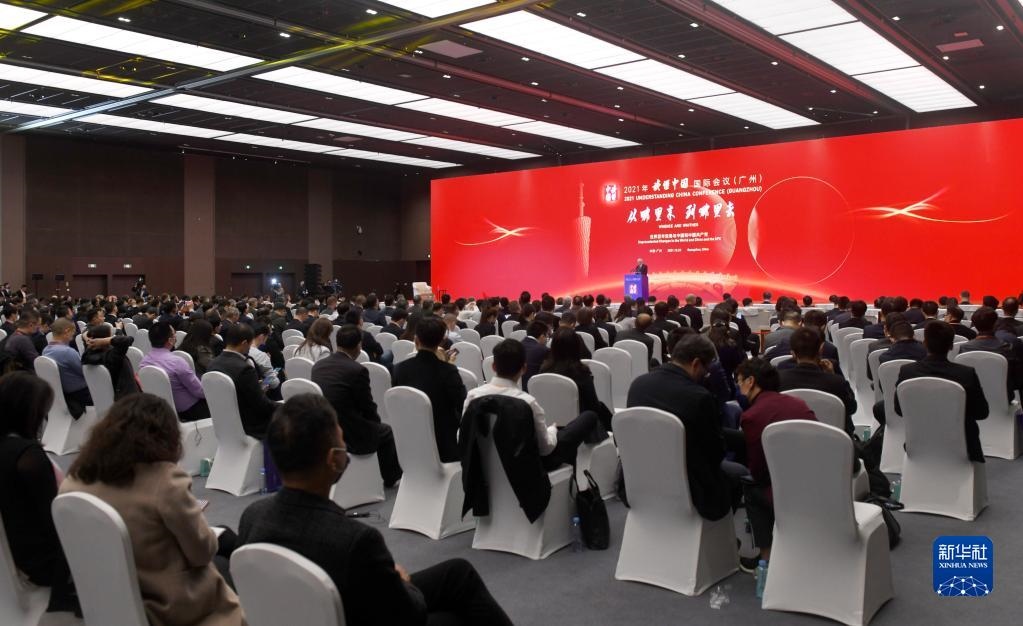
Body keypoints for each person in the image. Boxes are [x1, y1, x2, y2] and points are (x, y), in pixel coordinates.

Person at [238, 394, 512, 625]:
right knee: (455, 612)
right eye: (342, 440)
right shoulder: (355, 540)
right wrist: (403, 582)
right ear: (334, 459)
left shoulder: (252, 517)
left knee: (457, 574)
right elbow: (410, 614)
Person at [60, 394, 244, 626]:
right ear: (165, 437)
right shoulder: (166, 482)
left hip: (108, 599)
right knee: (227, 560)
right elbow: (201, 554)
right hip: (166, 604)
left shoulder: (73, 483)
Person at [626, 334, 745, 520]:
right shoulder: (699, 397)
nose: (706, 375)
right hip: (688, 486)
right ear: (696, 364)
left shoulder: (638, 384)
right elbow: (715, 453)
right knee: (739, 474)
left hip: (640, 477)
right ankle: (720, 530)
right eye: (706, 370)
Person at [0, 372, 78, 614]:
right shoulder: (28, 456)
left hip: (14, 552)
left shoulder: (8, 447)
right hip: (45, 561)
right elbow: (53, 519)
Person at [735, 358, 820, 571]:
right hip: (816, 482)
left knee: (752, 485)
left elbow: (758, 469)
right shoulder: (798, 404)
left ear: (751, 382)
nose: (738, 386)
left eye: (740, 381)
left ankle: (766, 557)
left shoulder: (751, 416)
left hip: (784, 492)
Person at [466, 338, 599, 470]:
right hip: (525, 469)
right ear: (524, 368)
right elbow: (546, 449)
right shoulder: (527, 402)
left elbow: (463, 437)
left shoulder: (473, 396)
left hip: (483, 468)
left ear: (493, 366)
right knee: (586, 418)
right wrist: (552, 430)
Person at [312, 324, 402, 486]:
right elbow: (367, 407)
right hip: (350, 434)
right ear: (359, 345)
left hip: (325, 427)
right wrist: (375, 425)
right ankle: (391, 478)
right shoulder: (356, 370)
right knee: (386, 432)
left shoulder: (318, 366)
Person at [894, 321, 989, 463]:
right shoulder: (966, 374)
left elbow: (899, 410)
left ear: (924, 343)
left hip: (919, 439)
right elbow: (981, 413)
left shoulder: (907, 371)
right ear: (951, 346)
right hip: (963, 443)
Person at [392, 317, 467, 463]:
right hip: (444, 442)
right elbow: (462, 404)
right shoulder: (448, 371)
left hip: (408, 436)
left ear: (416, 340)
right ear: (442, 341)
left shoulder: (399, 369)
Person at [777, 327, 856, 435]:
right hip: (832, 439)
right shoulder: (836, 382)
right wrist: (832, 375)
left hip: (790, 438)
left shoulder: (779, 381)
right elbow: (852, 408)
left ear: (793, 353)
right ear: (820, 350)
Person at [207, 323, 276, 438]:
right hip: (250, 425)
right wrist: (284, 407)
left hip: (224, 423)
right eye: (250, 344)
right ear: (244, 343)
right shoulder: (245, 369)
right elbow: (262, 405)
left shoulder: (212, 364)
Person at [539, 328, 613, 434]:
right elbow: (593, 406)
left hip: (549, 426)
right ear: (576, 347)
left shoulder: (543, 370)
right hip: (579, 429)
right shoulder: (580, 372)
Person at [140, 322, 210, 421]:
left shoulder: (143, 362)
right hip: (188, 411)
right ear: (170, 340)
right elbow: (199, 391)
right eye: (174, 334)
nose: (176, 336)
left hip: (159, 410)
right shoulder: (177, 362)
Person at [959, 307, 1023, 400]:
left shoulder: (964, 348)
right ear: (995, 324)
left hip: (972, 400)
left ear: (975, 325)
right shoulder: (1007, 348)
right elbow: (1018, 381)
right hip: (1003, 399)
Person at [41, 318, 92, 416]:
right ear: (67, 331)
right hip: (81, 395)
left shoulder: (45, 350)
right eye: (73, 331)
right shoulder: (67, 352)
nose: (74, 334)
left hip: (62, 394)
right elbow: (84, 372)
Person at [81, 323, 140, 400]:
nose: (113, 337)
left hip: (105, 397)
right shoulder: (113, 356)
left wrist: (88, 339)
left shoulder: (87, 355)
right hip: (127, 397)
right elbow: (128, 339)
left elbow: (84, 334)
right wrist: (105, 341)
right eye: (111, 336)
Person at [520, 320, 550, 392]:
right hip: (535, 390)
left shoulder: (517, 344)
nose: (547, 340)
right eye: (547, 336)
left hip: (517, 388)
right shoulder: (544, 350)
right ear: (542, 336)